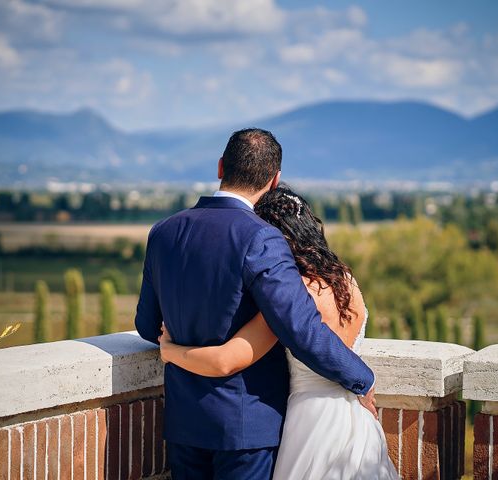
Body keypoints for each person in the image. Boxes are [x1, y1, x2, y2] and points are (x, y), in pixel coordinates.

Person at [134, 128, 376, 479]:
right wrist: (361, 378)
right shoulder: (261, 236)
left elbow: (146, 326)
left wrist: (176, 343)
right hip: (246, 426)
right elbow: (301, 327)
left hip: (184, 421)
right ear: (274, 180)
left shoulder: (164, 231)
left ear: (220, 167)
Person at [158, 185, 399, 479]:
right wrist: (364, 379)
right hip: (357, 419)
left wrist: (170, 351)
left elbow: (227, 359)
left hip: (310, 423)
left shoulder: (288, 296)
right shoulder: (345, 280)